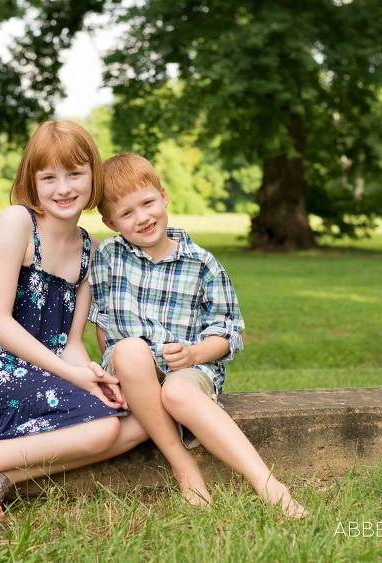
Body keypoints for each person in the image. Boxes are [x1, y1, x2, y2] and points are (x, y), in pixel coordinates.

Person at [0, 121, 147, 539]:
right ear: (31, 183)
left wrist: (92, 375)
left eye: (75, 173)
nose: (64, 188)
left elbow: (71, 343)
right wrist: (72, 375)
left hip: (48, 367)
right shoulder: (18, 223)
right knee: (104, 427)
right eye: (48, 177)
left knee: (140, 417)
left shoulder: (89, 248)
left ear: (94, 176)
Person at [88, 152, 310, 519]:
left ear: (164, 196)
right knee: (127, 351)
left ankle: (268, 484)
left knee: (176, 390)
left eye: (147, 203)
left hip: (189, 371)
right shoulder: (109, 256)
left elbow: (228, 334)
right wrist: (116, 374)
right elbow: (103, 325)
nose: (142, 217)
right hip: (132, 372)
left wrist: (192, 355)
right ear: (110, 222)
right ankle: (185, 469)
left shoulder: (202, 263)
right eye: (127, 213)